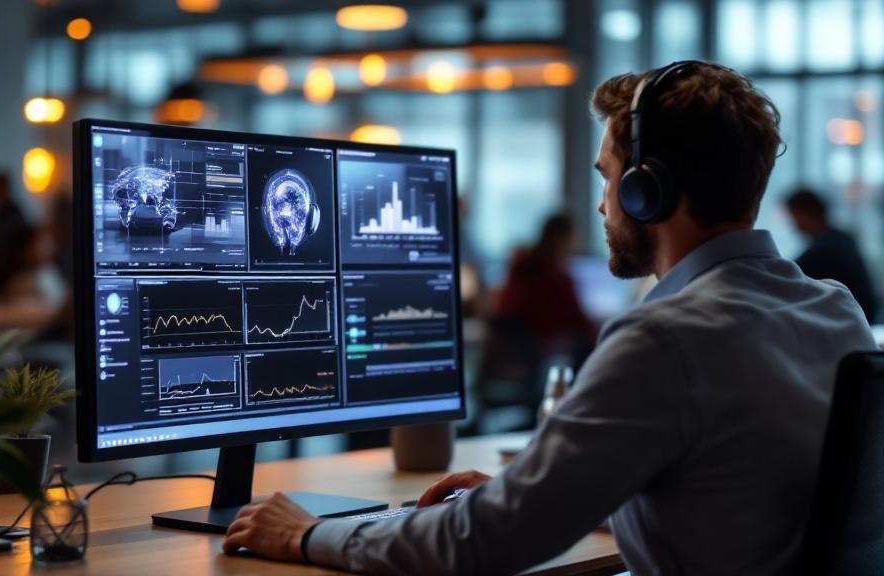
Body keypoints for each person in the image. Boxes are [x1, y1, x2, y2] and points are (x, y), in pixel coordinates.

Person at [220, 62, 877, 575]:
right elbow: (736, 499)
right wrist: (540, 488)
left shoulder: (665, 339)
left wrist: (306, 533)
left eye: (607, 178)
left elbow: (484, 544)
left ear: (647, 191)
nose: (602, 205)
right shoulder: (831, 309)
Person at [494, 213, 598, 366]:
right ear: (561, 239)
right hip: (540, 349)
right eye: (572, 238)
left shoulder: (521, 264)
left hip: (510, 349)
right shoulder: (558, 277)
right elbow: (580, 323)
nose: (574, 244)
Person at [785, 187, 878, 323]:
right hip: (860, 319)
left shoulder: (823, 249)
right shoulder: (842, 238)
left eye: (794, 216)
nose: (793, 224)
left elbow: (786, 274)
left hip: (848, 322)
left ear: (806, 214)